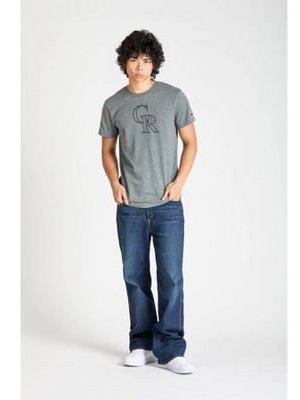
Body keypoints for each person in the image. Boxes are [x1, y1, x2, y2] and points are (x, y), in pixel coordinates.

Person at [98, 29, 197, 374]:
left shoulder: (174, 97)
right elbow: (107, 150)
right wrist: (114, 183)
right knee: (135, 276)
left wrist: (180, 182)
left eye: (146, 60)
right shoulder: (113, 104)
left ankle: (171, 349)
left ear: (155, 63)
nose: (139, 66)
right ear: (124, 63)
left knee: (171, 276)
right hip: (130, 207)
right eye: (133, 59)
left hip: (168, 205)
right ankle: (141, 344)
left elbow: (191, 143)